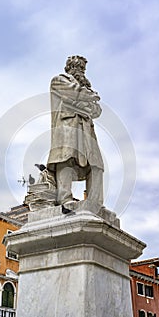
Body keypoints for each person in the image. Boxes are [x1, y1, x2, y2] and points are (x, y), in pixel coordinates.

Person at [47, 55, 104, 213]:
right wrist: (86, 100)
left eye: (83, 69)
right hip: (68, 127)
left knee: (97, 165)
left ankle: (95, 203)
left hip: (86, 129)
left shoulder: (84, 87)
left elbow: (97, 110)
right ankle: (64, 198)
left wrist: (82, 103)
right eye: (78, 68)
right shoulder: (58, 80)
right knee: (66, 159)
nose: (81, 71)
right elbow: (75, 93)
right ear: (70, 68)